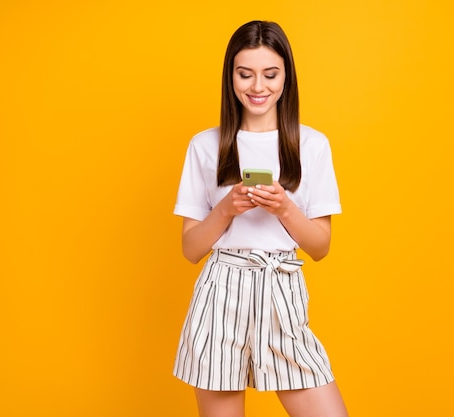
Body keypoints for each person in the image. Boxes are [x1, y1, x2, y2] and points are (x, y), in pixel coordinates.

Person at [173, 20, 348, 417]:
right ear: (230, 76)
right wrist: (227, 208)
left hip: (281, 290)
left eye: (270, 74)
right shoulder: (206, 146)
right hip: (221, 293)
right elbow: (190, 249)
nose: (257, 87)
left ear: (286, 76)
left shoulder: (312, 145)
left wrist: (284, 207)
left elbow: (320, 247)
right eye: (245, 74)